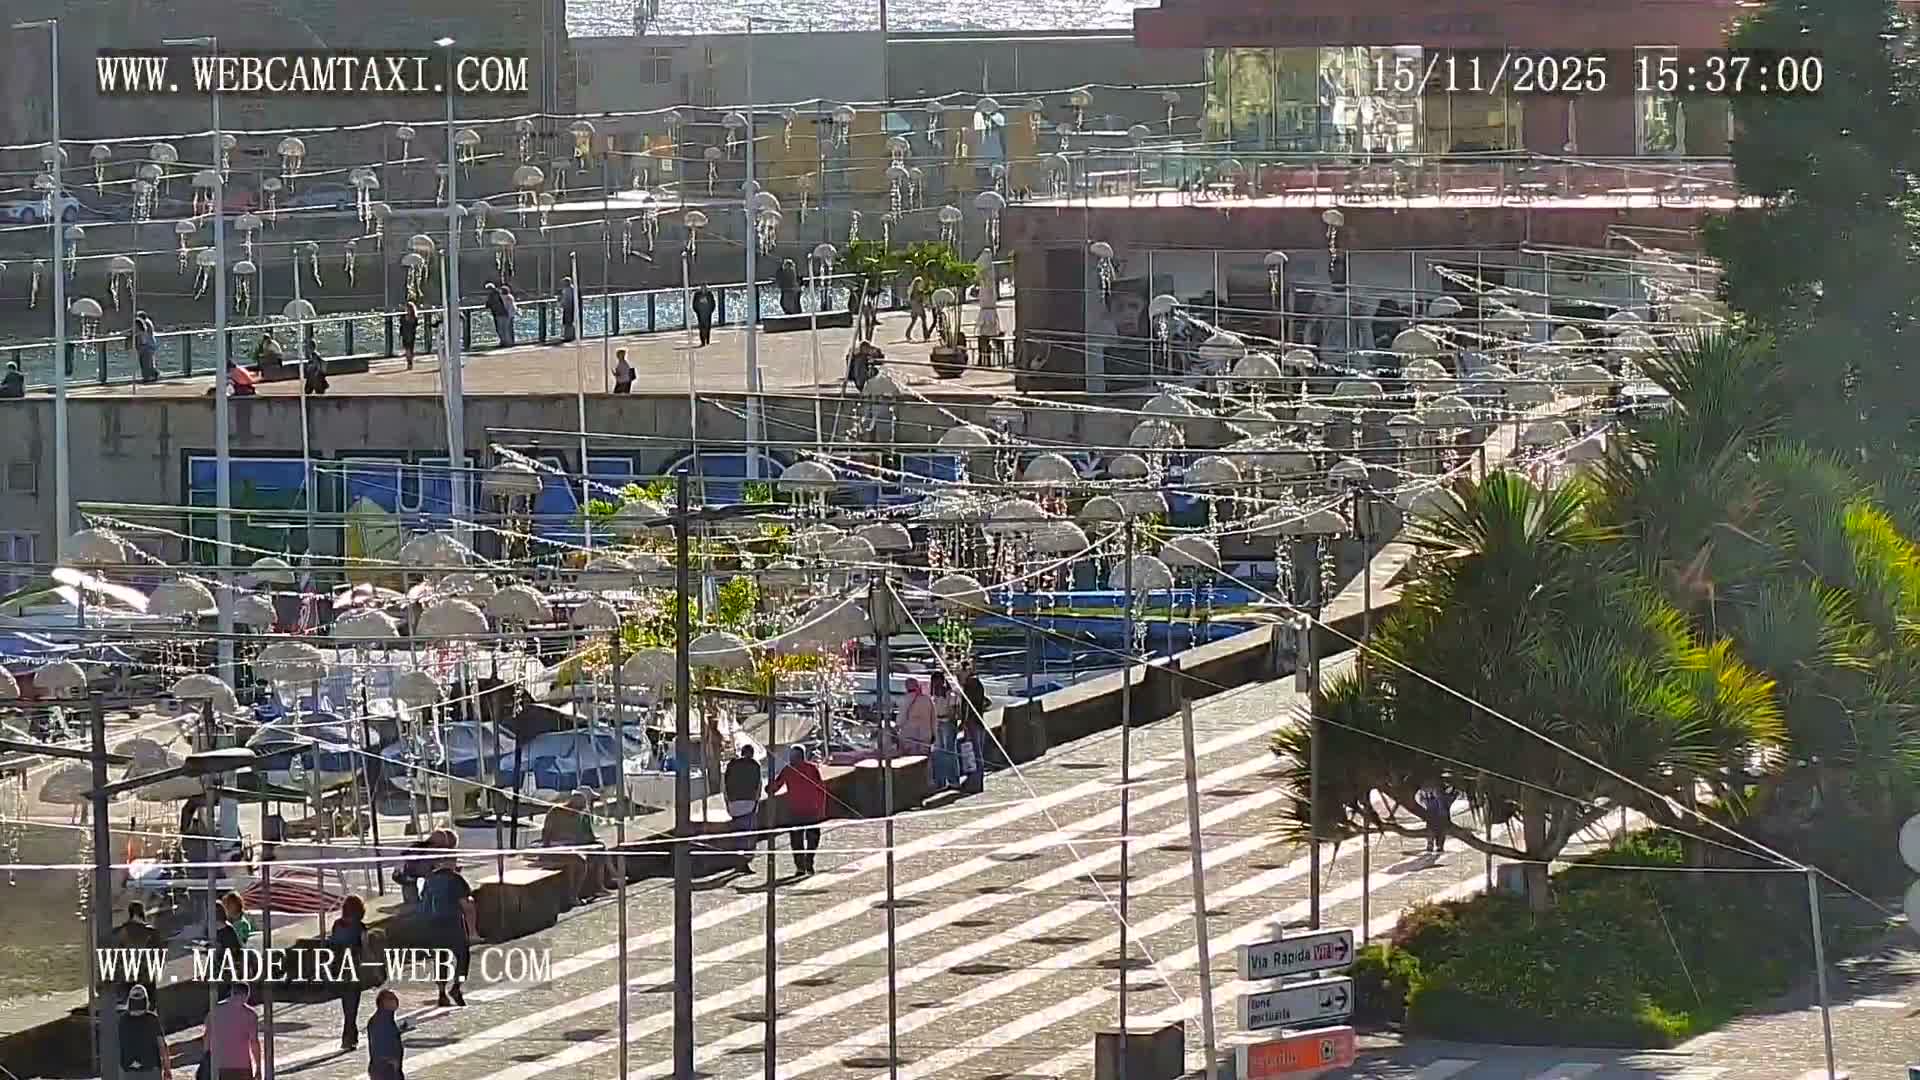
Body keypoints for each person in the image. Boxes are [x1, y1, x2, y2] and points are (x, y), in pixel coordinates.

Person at [537, 789, 613, 903]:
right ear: (571, 804)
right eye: (578, 809)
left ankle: (599, 886)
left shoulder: (581, 814)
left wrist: (592, 840)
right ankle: (573, 896)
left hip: (574, 845)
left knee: (600, 849)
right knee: (579, 862)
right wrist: (546, 850)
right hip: (556, 847)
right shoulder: (556, 811)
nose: (578, 812)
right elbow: (546, 833)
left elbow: (583, 835)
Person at [419, 853, 473, 1006]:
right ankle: (456, 987)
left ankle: (441, 992)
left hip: (434, 924)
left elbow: (424, 901)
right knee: (462, 956)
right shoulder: (456, 879)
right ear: (452, 861)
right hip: (453, 922)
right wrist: (473, 930)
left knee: (440, 958)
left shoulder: (430, 880)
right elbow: (466, 904)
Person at [766, 745, 827, 875]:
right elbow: (821, 789)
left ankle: (801, 866)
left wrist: (768, 787)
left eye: (792, 756)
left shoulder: (789, 770)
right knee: (812, 839)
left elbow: (774, 788)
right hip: (811, 810)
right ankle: (808, 863)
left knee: (797, 840)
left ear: (797, 756)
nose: (790, 758)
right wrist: (822, 809)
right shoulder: (810, 768)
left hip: (797, 811)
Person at [329, 894, 368, 1050]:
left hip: (339, 966)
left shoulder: (337, 924)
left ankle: (349, 1035)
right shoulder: (360, 927)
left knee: (346, 1003)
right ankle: (350, 1036)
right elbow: (365, 948)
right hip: (354, 967)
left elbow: (332, 942)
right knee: (353, 1003)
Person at [206, 982, 261, 1080]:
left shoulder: (215, 1011)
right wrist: (258, 1067)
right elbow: (254, 1042)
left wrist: (207, 1058)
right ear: (247, 996)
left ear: (231, 992)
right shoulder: (250, 1015)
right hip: (242, 1064)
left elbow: (207, 1037)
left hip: (220, 1063)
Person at [119, 984, 171, 1080]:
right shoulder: (152, 1019)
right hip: (150, 1069)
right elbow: (162, 1046)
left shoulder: (122, 1020)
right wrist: (167, 1068)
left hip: (129, 1070)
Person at [723, 745, 762, 855]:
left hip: (733, 804)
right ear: (752, 753)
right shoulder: (755, 765)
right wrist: (756, 803)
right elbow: (758, 787)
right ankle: (745, 859)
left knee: (737, 834)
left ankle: (738, 858)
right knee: (748, 834)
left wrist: (727, 803)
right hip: (749, 804)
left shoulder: (731, 764)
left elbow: (724, 786)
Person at [929, 671, 959, 790]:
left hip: (947, 724)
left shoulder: (950, 695)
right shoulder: (933, 696)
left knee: (949, 752)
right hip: (937, 724)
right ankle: (939, 781)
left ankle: (953, 780)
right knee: (937, 753)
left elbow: (952, 713)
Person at [366, 988, 404, 1080]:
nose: (395, 1000)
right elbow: (378, 1044)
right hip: (385, 1070)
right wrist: (390, 1060)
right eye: (391, 999)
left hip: (389, 1068)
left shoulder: (386, 1018)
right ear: (383, 1003)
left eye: (394, 998)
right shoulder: (380, 1021)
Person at [898, 677, 937, 761]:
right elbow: (933, 719)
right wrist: (934, 734)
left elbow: (900, 720)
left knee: (910, 762)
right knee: (924, 761)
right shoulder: (927, 699)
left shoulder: (904, 700)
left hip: (909, 736)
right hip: (925, 736)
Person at [134, 311, 160, 383]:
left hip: (147, 345)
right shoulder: (147, 322)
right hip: (148, 345)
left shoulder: (146, 323)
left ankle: (150, 376)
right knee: (148, 362)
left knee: (147, 362)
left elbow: (141, 331)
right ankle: (151, 375)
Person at [906, 276, 930, 341]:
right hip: (919, 308)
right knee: (924, 322)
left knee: (913, 322)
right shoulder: (919, 292)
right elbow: (921, 300)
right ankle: (926, 336)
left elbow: (912, 301)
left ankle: (908, 334)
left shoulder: (912, 292)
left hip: (914, 308)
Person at [399, 302, 420, 369]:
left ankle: (410, 362)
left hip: (408, 334)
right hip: (409, 333)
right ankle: (410, 362)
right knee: (409, 348)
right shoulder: (413, 317)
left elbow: (402, 323)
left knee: (408, 348)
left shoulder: (408, 317)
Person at [559, 277, 578, 342]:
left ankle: (568, 336)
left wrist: (562, 304)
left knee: (568, 322)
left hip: (569, 308)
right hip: (570, 307)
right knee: (568, 322)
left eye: (564, 282)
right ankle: (569, 335)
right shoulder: (571, 289)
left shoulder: (568, 290)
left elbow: (567, 299)